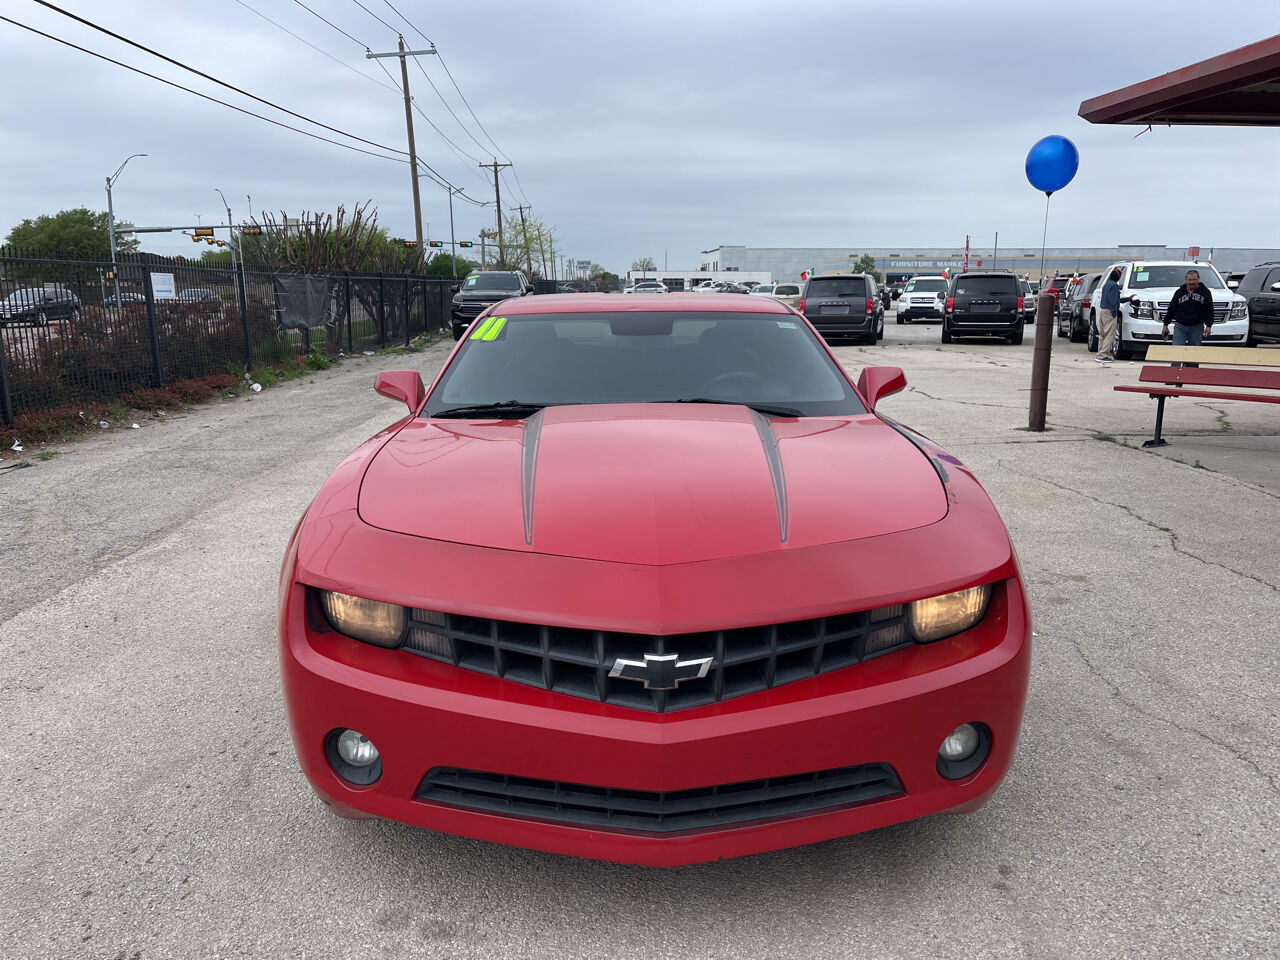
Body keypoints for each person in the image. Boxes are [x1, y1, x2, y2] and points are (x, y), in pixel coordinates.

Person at [1163, 269, 1213, 366]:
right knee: (1177, 350)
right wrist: (1165, 324)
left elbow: (1210, 309)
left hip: (1197, 326)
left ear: (1198, 279)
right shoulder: (1179, 292)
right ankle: (1174, 375)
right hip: (1180, 326)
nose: (1191, 282)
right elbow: (1171, 308)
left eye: (1194, 280)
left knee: (1194, 352)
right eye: (1189, 280)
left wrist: (1209, 325)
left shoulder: (1205, 292)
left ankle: (1191, 374)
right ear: (1185, 280)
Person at [1095, 268, 1133, 364]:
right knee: (1110, 334)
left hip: (1102, 310)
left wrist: (1127, 299)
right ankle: (1103, 355)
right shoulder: (1115, 286)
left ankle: (1100, 353)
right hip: (1110, 311)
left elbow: (1115, 299)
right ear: (1118, 277)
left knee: (1102, 334)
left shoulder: (1106, 285)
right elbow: (1114, 301)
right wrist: (1114, 312)